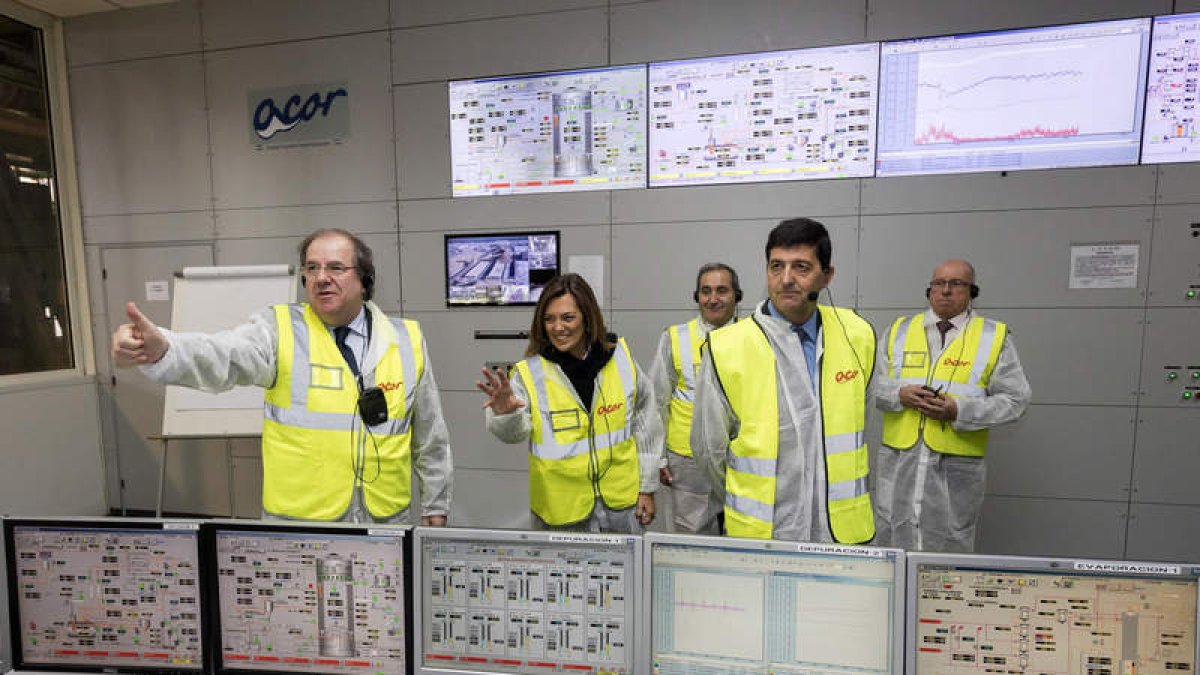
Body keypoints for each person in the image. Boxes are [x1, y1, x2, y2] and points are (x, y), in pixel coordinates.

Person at [111, 228, 453, 525]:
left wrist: (436, 502)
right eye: (312, 268)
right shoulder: (279, 330)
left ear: (365, 280)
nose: (321, 278)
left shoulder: (406, 339)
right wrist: (164, 348)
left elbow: (430, 435)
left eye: (336, 267)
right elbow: (223, 354)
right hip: (300, 526)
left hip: (385, 522)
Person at [691, 218, 876, 543]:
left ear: (827, 275)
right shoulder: (727, 346)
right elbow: (709, 450)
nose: (786, 279)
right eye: (777, 266)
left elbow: (863, 423)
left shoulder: (856, 334)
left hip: (841, 532)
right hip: (765, 532)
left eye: (801, 267)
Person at [477, 273, 661, 532]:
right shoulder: (529, 373)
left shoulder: (620, 359)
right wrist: (506, 415)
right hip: (560, 515)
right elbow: (513, 434)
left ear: (587, 318)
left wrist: (647, 487)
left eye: (567, 318)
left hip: (622, 508)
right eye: (549, 319)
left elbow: (646, 424)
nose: (557, 327)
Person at [873, 259, 1031, 552]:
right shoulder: (899, 330)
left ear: (972, 291)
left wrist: (960, 410)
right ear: (929, 290)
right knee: (892, 541)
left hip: (955, 470)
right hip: (900, 463)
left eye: (956, 284)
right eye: (938, 284)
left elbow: (1016, 401)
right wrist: (900, 394)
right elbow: (876, 388)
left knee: (948, 551)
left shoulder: (993, 337)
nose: (946, 291)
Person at [647, 262, 741, 534]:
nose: (713, 299)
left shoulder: (754, 338)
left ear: (737, 295)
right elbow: (656, 401)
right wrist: (659, 459)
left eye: (722, 291)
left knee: (741, 532)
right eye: (705, 291)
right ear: (696, 297)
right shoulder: (675, 337)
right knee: (691, 535)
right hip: (687, 461)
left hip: (740, 457)